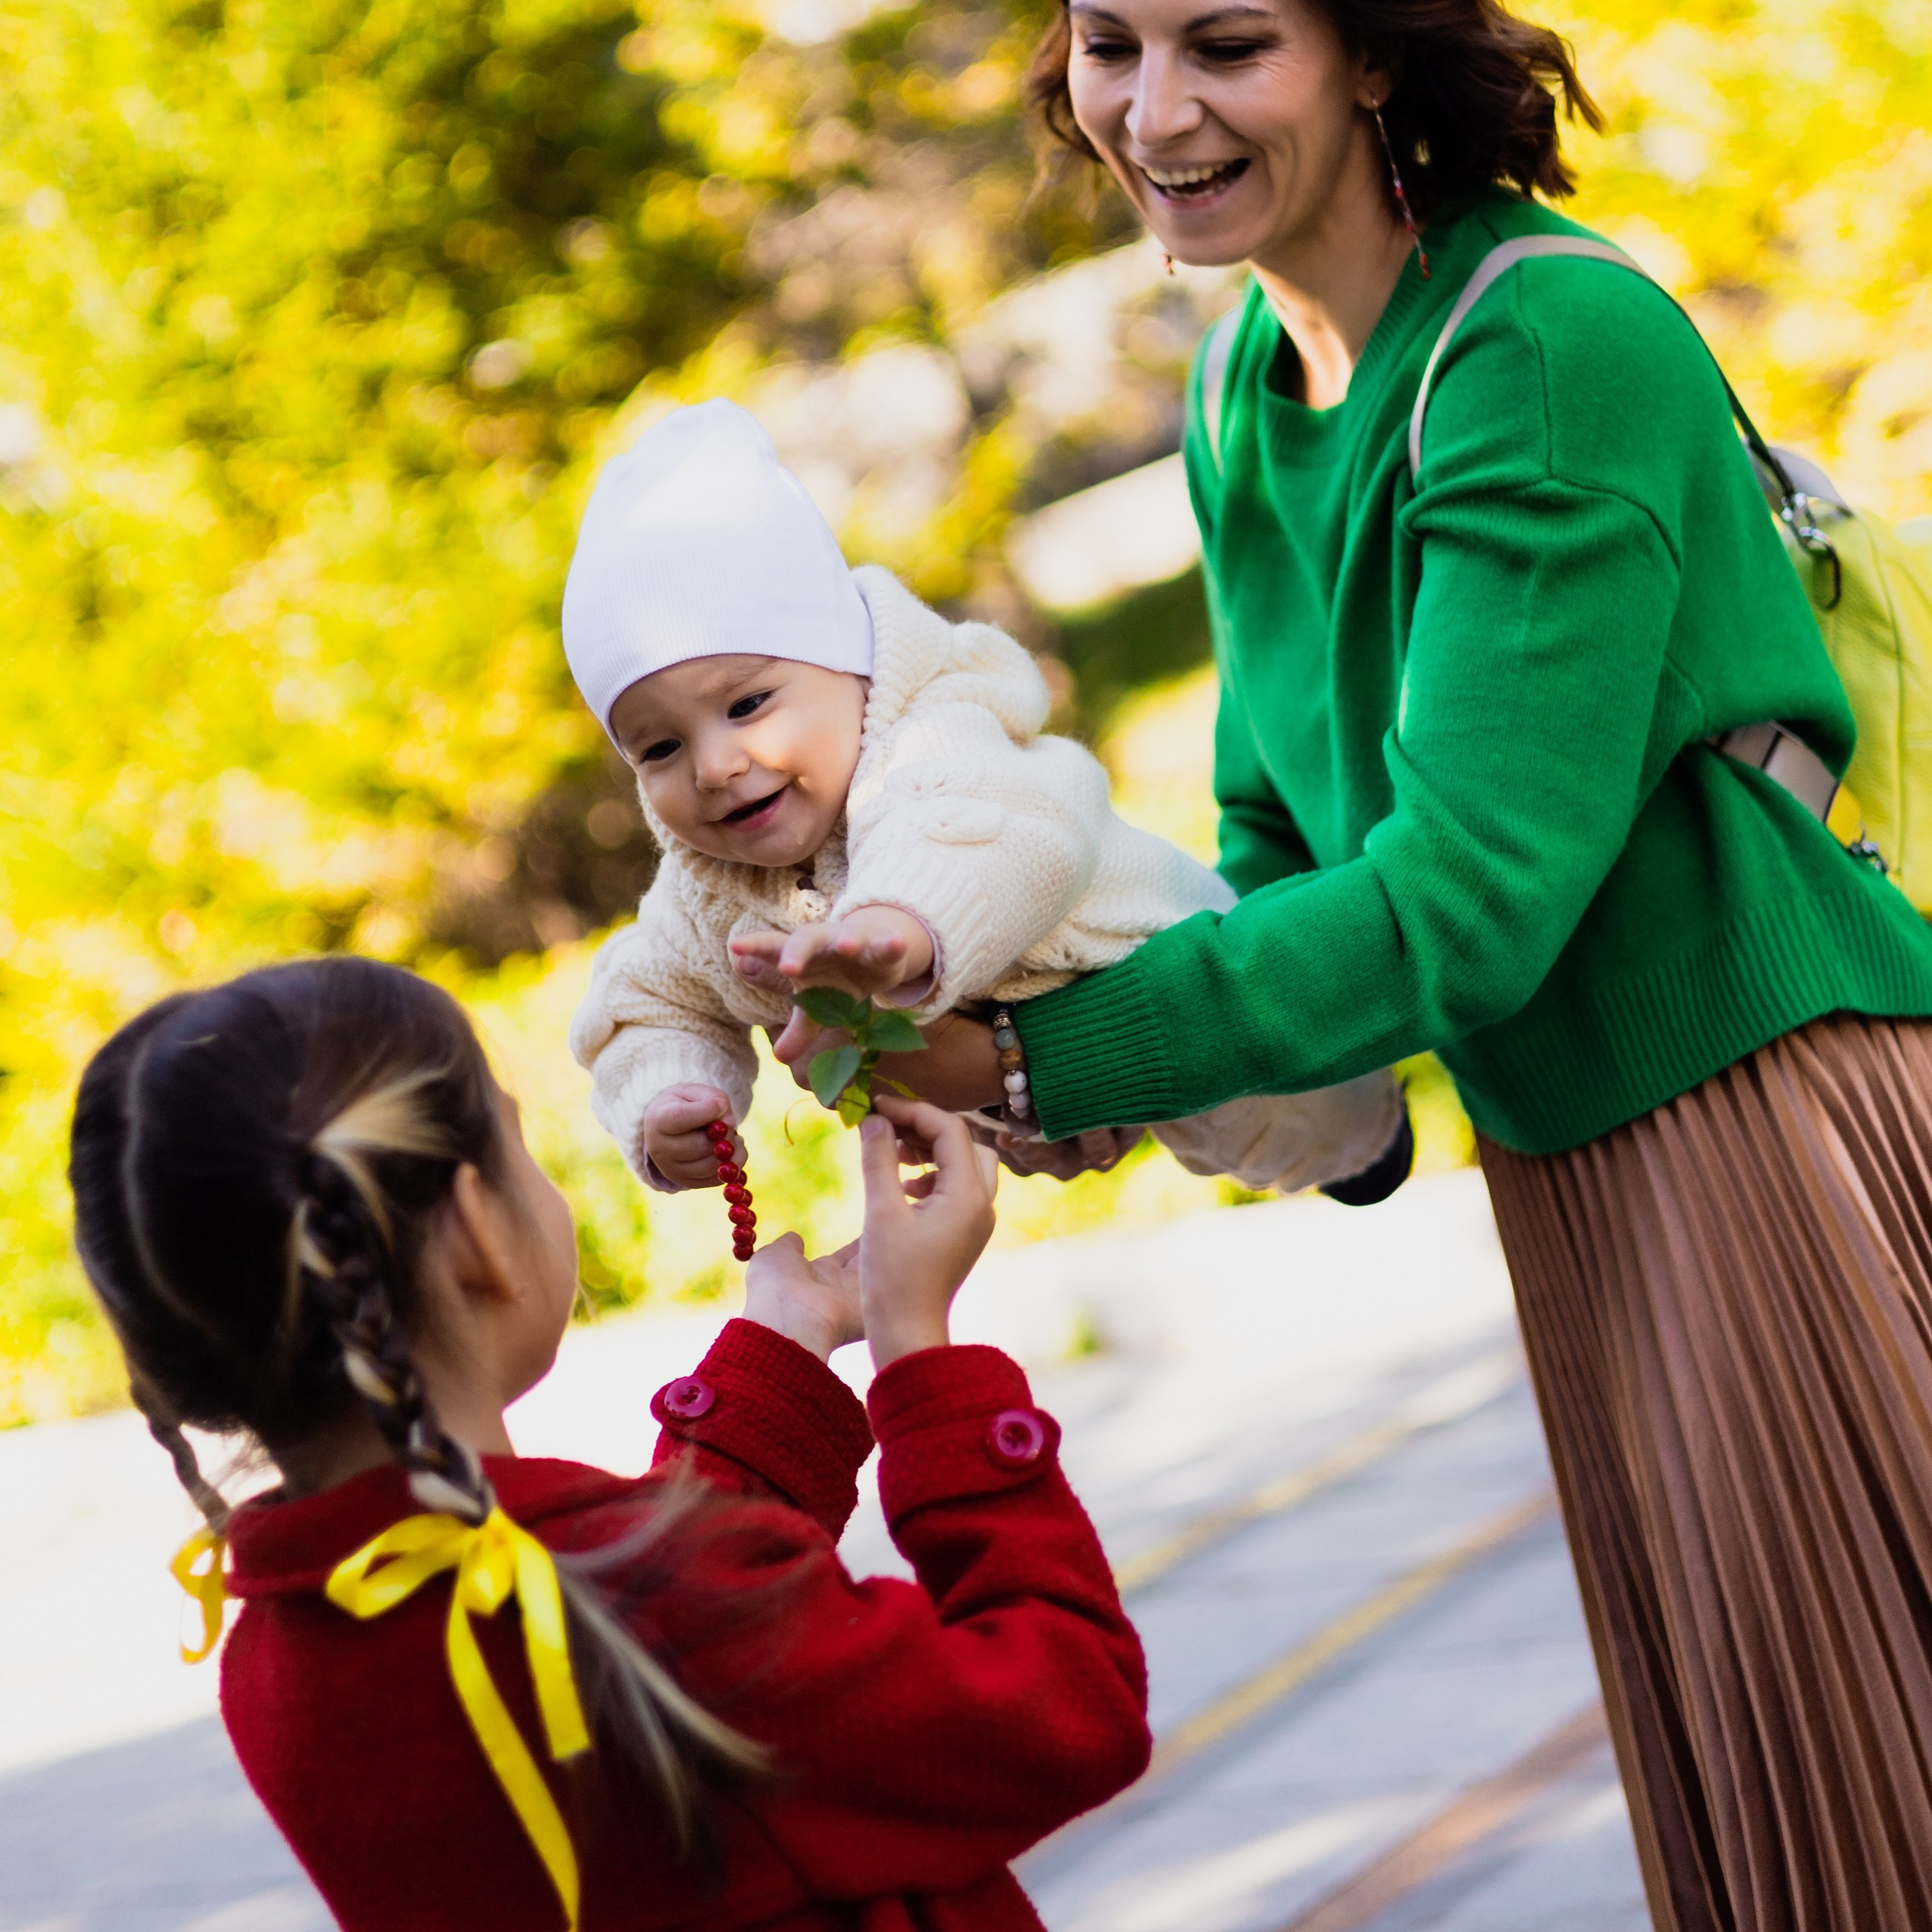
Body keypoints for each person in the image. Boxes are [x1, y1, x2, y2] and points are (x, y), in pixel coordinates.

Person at [771, 0, 1932, 1924]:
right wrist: (1122, 1069)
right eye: (1106, 41)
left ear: (1377, 54)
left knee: (1871, 1807)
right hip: (1588, 1172)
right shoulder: (1247, 381)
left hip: (1755, 1121)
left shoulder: (1542, 344)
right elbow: (1276, 849)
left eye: (1226, 43)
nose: (1151, 111)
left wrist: (1054, 1060)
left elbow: (1463, 896)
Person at [66, 955, 1150, 1930]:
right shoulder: (657, 1613)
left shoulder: (283, 1652)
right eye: (516, 1137)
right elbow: (1071, 1706)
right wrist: (921, 1358)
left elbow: (660, 1640)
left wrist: (787, 1342)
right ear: (479, 1231)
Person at [562, 396, 1410, 1202]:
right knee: (1154, 1133)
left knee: (1289, 1115)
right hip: (1048, 1080)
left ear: (851, 664)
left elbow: (966, 834)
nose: (714, 766)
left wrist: (894, 928)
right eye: (660, 748)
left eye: (746, 705)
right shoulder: (710, 891)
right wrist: (668, 1097)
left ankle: (1374, 1133)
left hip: (1197, 989)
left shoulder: (939, 735)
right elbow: (652, 993)